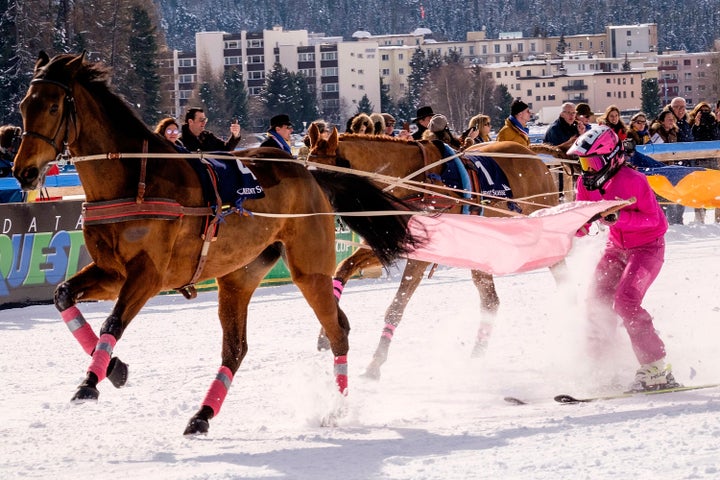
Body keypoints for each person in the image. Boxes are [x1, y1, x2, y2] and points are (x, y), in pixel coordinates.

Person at [569, 125, 677, 392]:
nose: (587, 169)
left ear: (610, 158)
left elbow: (656, 221)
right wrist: (571, 226)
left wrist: (622, 217)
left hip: (648, 249)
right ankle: (602, 366)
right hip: (616, 249)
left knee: (625, 301)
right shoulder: (584, 183)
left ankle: (656, 368)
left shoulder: (634, 181)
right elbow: (583, 224)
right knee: (596, 300)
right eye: (583, 162)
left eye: (592, 162)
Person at [648, 110, 684, 224]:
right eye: (668, 118)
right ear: (662, 121)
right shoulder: (655, 132)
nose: (671, 121)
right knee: (660, 197)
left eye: (672, 118)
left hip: (671, 167)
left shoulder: (674, 132)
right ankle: (661, 221)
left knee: (673, 195)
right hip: (658, 168)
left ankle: (676, 222)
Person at [687, 101, 719, 223]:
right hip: (699, 161)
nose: (705, 114)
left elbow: (716, 138)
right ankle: (699, 218)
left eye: (707, 111)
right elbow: (691, 139)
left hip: (713, 160)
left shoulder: (713, 122)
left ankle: (718, 218)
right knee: (700, 190)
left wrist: (716, 123)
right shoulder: (692, 123)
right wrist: (697, 125)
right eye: (702, 111)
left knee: (715, 189)